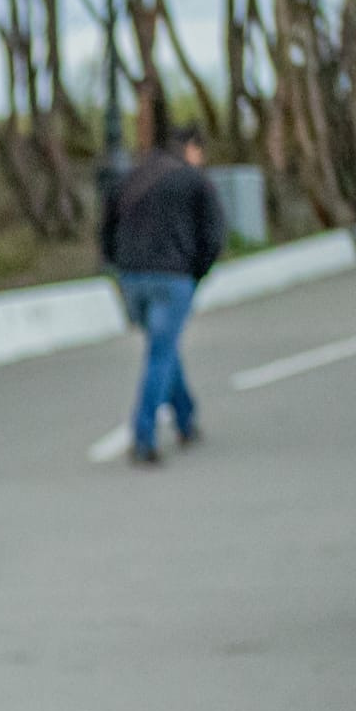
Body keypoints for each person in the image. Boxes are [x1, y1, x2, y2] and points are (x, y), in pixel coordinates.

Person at [99, 125, 224, 468]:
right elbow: (214, 236)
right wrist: (196, 272)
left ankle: (185, 417)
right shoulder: (194, 181)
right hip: (172, 279)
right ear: (192, 148)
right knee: (160, 353)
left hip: (131, 279)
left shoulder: (130, 178)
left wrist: (119, 268)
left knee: (162, 348)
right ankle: (144, 436)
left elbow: (106, 232)